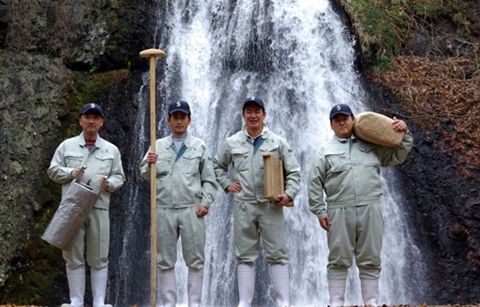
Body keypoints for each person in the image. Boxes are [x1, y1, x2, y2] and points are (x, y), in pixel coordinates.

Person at [308, 103, 413, 306]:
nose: (341, 121)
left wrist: (405, 133)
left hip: (370, 207)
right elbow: (314, 183)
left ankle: (371, 301)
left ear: (353, 119)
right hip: (338, 209)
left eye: (345, 117)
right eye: (336, 119)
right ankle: (336, 301)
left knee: (371, 256)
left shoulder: (372, 145)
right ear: (331, 125)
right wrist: (320, 211)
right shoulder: (323, 151)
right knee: (338, 258)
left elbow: (397, 156)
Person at [213, 97, 301, 307]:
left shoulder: (278, 142)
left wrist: (288, 194)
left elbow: (294, 172)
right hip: (244, 205)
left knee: (277, 253)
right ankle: (244, 302)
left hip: (271, 206)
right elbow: (217, 166)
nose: (253, 115)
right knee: (244, 254)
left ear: (264, 114)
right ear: (243, 115)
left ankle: (284, 302)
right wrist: (227, 184)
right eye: (248, 111)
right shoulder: (232, 142)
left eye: (257, 111)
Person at [139, 100, 217, 307]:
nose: (179, 121)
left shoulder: (199, 146)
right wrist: (149, 163)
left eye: (183, 117)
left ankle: (195, 304)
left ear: (189, 120)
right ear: (168, 120)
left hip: (192, 209)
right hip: (163, 209)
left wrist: (206, 203)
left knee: (195, 259)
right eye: (176, 117)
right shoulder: (157, 146)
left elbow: (210, 179)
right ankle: (168, 304)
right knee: (164, 260)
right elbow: (144, 173)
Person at [47, 103, 125, 307]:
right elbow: (52, 170)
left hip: (99, 207)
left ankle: (99, 301)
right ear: (80, 120)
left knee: (99, 254)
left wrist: (110, 184)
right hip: (72, 207)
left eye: (95, 118)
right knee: (73, 254)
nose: (91, 121)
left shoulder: (111, 149)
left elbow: (120, 176)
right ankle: (76, 301)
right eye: (87, 117)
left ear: (101, 122)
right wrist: (70, 173)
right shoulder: (66, 146)